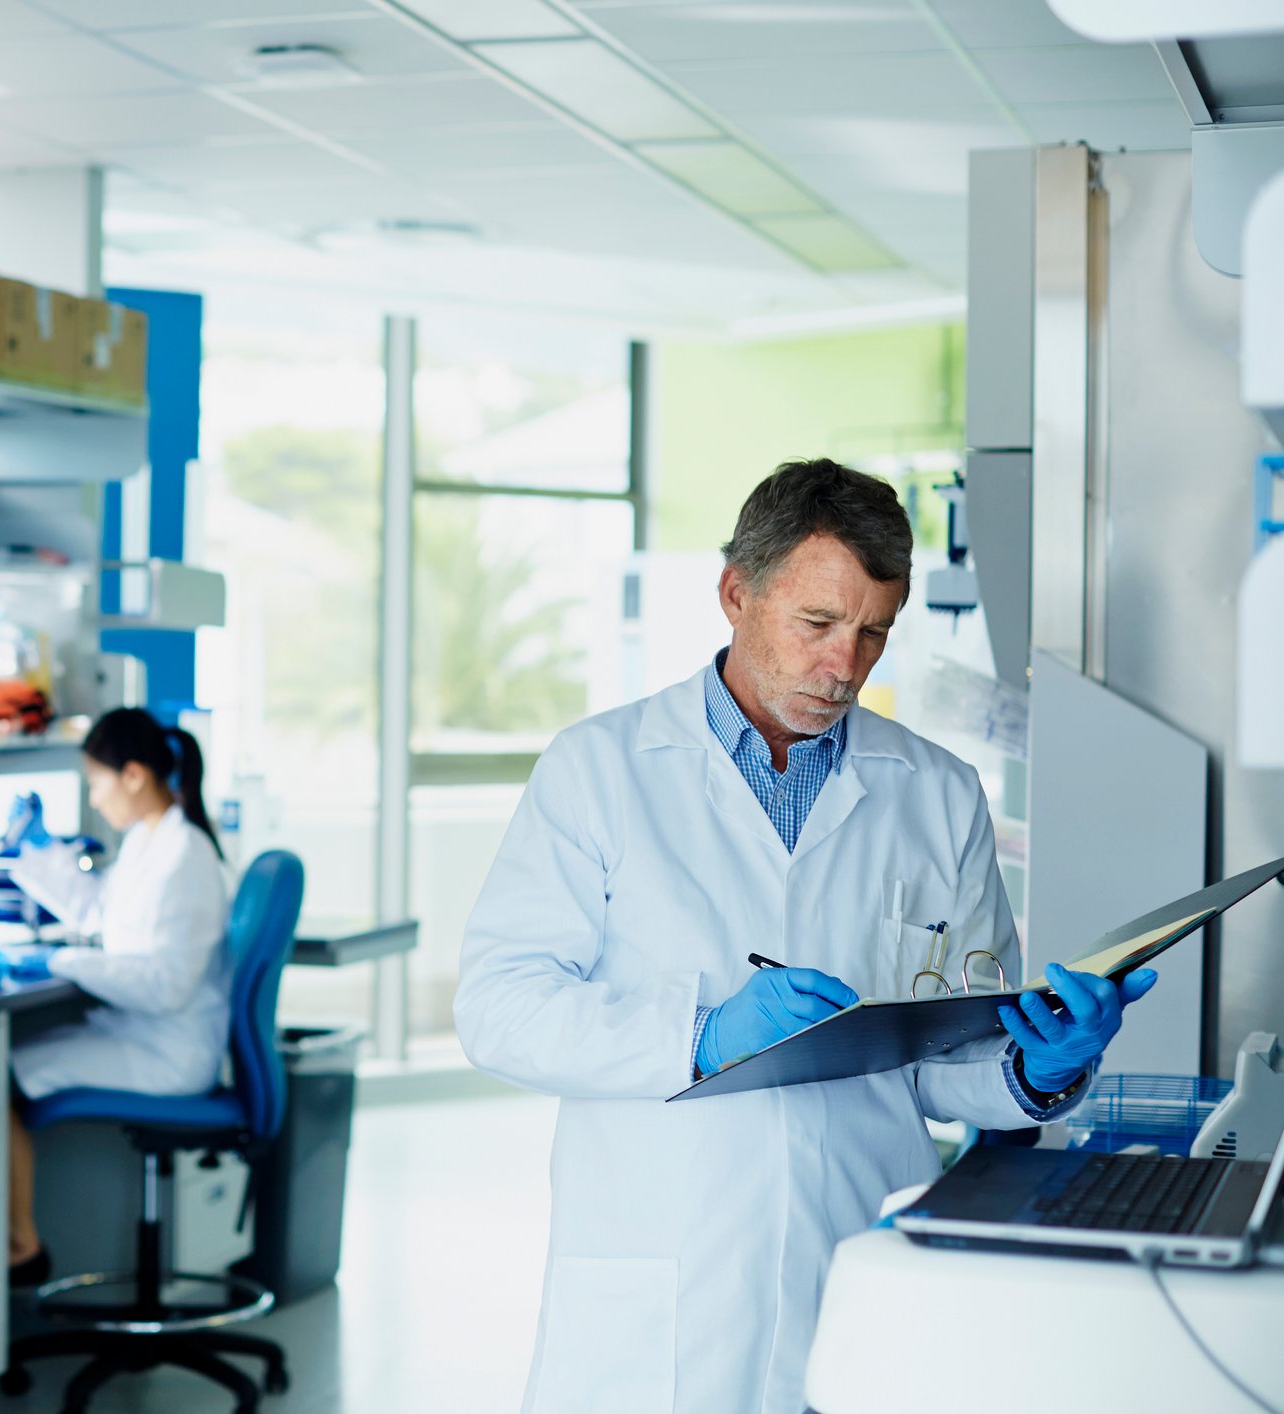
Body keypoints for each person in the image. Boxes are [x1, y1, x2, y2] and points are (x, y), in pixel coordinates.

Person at [455, 459, 1156, 1414]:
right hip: (663, 1280)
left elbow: (943, 1065)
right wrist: (700, 1035)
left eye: (873, 633)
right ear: (735, 593)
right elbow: (499, 1010)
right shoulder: (600, 770)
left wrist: (1036, 1067)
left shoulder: (938, 793)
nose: (845, 666)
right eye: (817, 624)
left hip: (861, 1257)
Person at [0, 708, 232, 1284]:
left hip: (166, 1050)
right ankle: (17, 1242)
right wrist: (35, 849)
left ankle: (23, 1246)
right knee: (6, 1064)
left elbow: (165, 986)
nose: (94, 801)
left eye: (97, 783)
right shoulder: (152, 842)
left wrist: (57, 960)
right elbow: (101, 913)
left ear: (133, 775)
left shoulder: (186, 856)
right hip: (139, 1033)